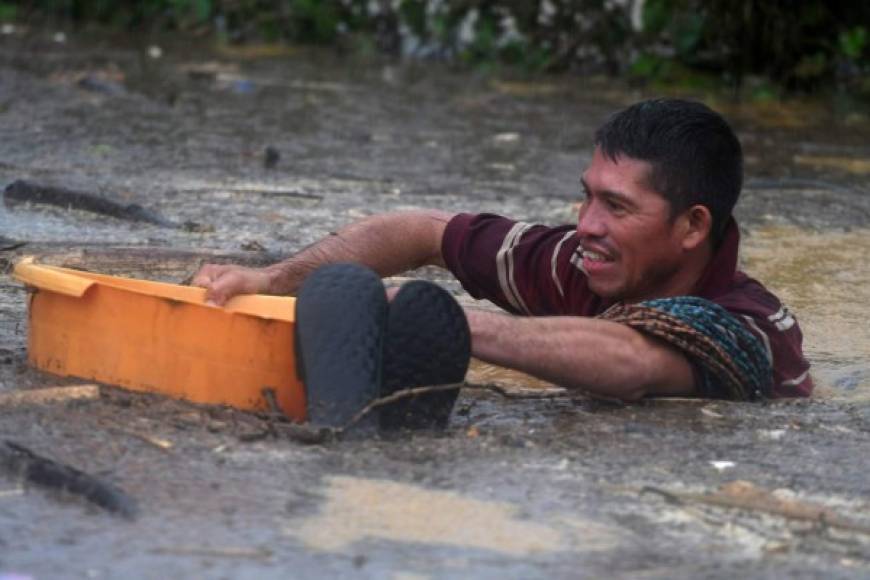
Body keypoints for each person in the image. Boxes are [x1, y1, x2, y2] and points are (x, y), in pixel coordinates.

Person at [192, 99, 812, 427]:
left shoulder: (749, 325)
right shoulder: (579, 260)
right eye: (587, 194)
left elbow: (635, 362)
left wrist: (447, 321)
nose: (586, 223)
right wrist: (270, 280)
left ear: (692, 226)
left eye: (616, 206)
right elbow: (422, 230)